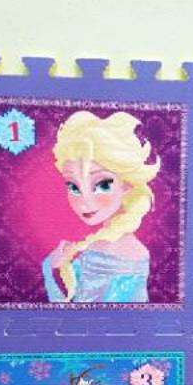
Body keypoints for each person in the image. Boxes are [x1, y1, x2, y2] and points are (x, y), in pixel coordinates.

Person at [42, 111, 159, 303]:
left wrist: (50, 267)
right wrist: (57, 266)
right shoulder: (101, 244)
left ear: (127, 184)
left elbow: (87, 316)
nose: (85, 201)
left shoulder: (125, 254)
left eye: (103, 185)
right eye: (74, 187)